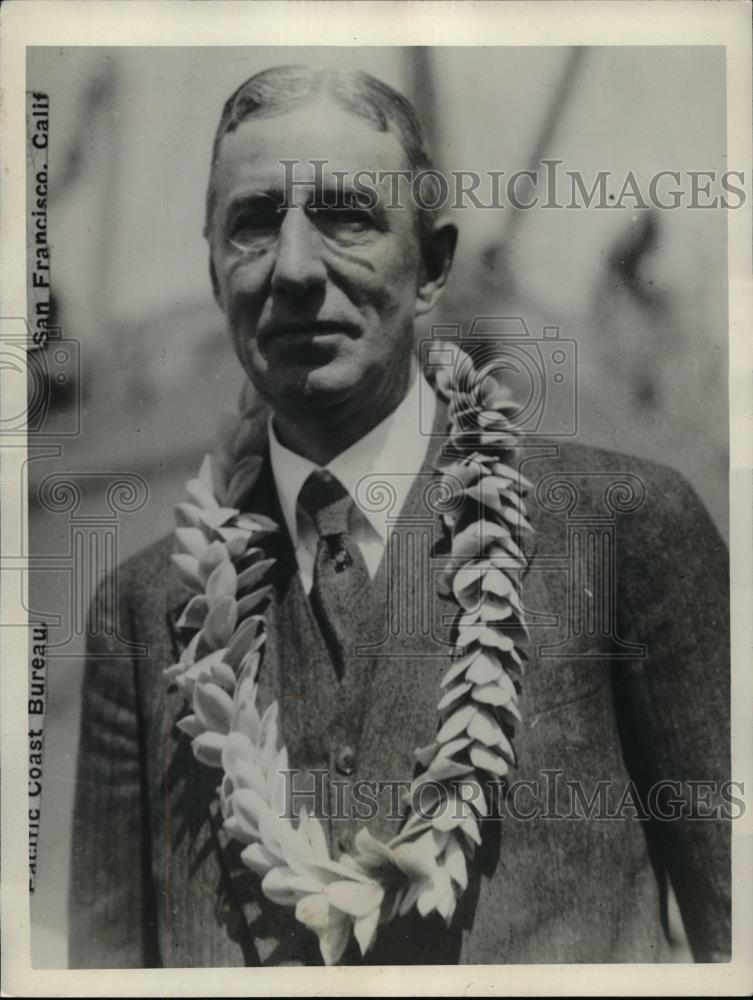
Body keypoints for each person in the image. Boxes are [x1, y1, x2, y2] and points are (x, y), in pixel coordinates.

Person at [69, 65, 731, 968]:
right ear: (213, 267)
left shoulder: (630, 530)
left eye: (347, 215)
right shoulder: (142, 613)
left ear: (434, 267)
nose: (294, 268)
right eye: (255, 221)